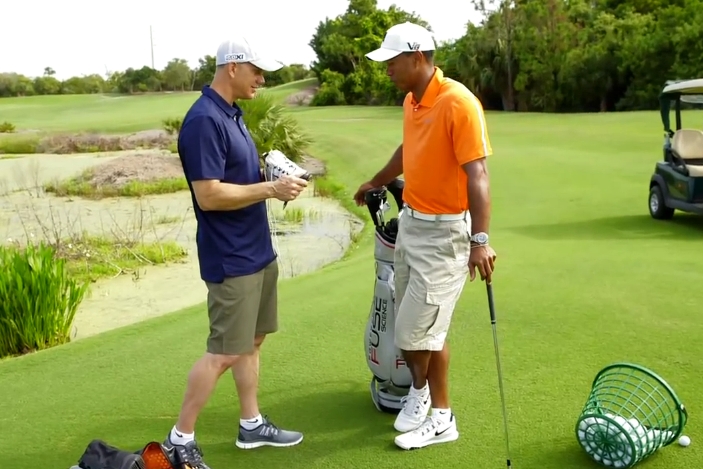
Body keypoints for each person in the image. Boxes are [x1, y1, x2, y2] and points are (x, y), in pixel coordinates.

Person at [164, 36, 309, 468]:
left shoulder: (231, 113)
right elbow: (208, 195)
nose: (262, 79)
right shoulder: (204, 120)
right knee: (225, 350)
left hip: (257, 251)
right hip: (231, 258)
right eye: (256, 71)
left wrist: (270, 169)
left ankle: (251, 424)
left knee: (252, 342)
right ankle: (179, 439)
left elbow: (233, 175)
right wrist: (271, 188)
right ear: (232, 67)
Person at [354, 22, 497, 450]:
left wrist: (481, 240)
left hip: (446, 235)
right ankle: (422, 395)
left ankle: (441, 415)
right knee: (416, 329)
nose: (387, 70)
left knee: (418, 332)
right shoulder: (412, 101)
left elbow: (479, 175)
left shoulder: (459, 103)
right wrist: (374, 182)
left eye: (392, 62)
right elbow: (407, 151)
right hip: (413, 226)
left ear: (417, 57)